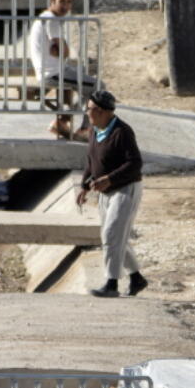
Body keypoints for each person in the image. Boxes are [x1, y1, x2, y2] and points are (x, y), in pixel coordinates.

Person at [78, 90, 149, 298]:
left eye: (89, 109)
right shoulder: (94, 131)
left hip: (125, 190)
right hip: (105, 193)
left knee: (111, 235)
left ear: (101, 111)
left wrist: (109, 179)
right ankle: (137, 278)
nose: (87, 113)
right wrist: (84, 185)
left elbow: (135, 164)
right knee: (116, 236)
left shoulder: (122, 131)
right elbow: (91, 161)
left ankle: (111, 284)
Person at [28, 0, 95, 140]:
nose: (65, 6)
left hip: (55, 70)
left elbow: (61, 51)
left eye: (69, 2)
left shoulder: (46, 17)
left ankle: (62, 122)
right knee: (98, 87)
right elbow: (64, 52)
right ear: (52, 1)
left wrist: (60, 50)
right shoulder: (52, 20)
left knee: (88, 89)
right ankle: (84, 129)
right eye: (62, 1)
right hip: (53, 73)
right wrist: (61, 50)